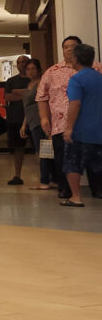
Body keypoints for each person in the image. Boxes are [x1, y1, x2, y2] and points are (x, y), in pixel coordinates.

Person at [37, 35, 102, 200]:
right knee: (63, 159)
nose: (69, 49)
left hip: (89, 123)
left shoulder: (97, 70)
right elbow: (41, 96)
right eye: (66, 46)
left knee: (94, 159)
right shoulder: (52, 71)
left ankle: (95, 189)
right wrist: (44, 118)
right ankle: (66, 189)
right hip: (60, 124)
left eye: (73, 46)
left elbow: (76, 103)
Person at [61, 43, 102, 207]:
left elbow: (75, 104)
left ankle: (76, 197)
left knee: (73, 163)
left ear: (75, 58)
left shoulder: (76, 79)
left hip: (82, 130)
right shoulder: (100, 77)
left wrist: (69, 127)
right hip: (99, 130)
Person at [19, 59, 52, 190]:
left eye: (33, 68)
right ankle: (51, 179)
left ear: (38, 70)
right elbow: (27, 108)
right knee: (44, 150)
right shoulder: (29, 85)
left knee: (44, 151)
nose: (30, 71)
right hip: (32, 121)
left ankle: (45, 180)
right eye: (28, 69)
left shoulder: (41, 83)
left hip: (41, 120)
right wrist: (24, 125)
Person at [4, 55, 31, 185]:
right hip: (16, 118)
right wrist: (27, 93)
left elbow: (36, 94)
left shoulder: (35, 79)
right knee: (18, 148)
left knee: (40, 147)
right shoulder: (11, 81)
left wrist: (18, 92)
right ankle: (17, 175)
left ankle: (46, 176)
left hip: (33, 117)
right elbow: (8, 97)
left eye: (24, 62)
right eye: (19, 62)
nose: (22, 64)